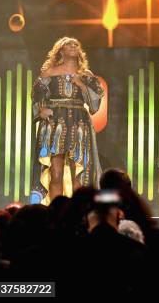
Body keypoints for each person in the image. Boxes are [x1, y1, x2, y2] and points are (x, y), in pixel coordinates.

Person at [31, 37, 104, 205]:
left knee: (78, 169)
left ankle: (77, 211)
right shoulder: (49, 72)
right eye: (68, 44)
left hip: (79, 123)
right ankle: (56, 211)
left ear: (79, 51)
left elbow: (95, 103)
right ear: (60, 51)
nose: (72, 46)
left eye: (75, 44)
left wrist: (81, 84)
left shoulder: (86, 75)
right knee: (55, 172)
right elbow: (37, 94)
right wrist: (41, 109)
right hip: (54, 123)